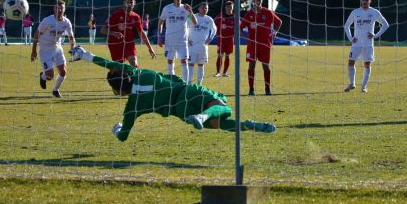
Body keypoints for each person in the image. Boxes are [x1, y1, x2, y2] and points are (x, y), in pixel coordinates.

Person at [68, 46, 276, 142]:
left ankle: (249, 125)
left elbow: (124, 137)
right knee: (223, 106)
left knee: (219, 123)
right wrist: (86, 55)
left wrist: (118, 129)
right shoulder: (135, 72)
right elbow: (110, 63)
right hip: (188, 91)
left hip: (180, 110)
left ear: (117, 91)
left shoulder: (132, 107)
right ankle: (205, 116)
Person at [343, 0, 389, 94]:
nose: (365, 2)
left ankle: (363, 87)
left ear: (370, 1)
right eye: (363, 0)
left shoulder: (374, 12)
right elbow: (346, 25)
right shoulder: (355, 12)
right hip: (356, 43)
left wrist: (375, 35)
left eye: (367, 0)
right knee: (350, 63)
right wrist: (350, 38)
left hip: (368, 44)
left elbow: (385, 24)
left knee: (367, 64)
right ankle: (352, 84)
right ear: (361, 0)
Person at [31, 0, 76, 98]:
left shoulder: (66, 22)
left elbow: (71, 37)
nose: (59, 10)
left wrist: (73, 49)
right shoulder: (47, 20)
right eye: (57, 8)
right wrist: (33, 51)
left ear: (64, 9)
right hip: (45, 49)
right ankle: (43, 76)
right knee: (49, 76)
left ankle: (55, 90)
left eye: (62, 8)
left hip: (57, 47)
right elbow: (36, 35)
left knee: (63, 72)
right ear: (54, 9)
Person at [240, 0, 282, 96]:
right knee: (251, 66)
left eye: (260, 0)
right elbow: (240, 27)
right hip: (252, 45)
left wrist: (274, 33)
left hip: (265, 44)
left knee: (266, 66)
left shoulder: (267, 12)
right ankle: (251, 90)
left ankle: (267, 90)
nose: (257, 1)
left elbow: (279, 22)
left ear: (262, 1)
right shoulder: (249, 14)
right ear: (253, 1)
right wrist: (246, 38)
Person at [101, 0, 156, 67]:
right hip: (115, 44)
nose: (129, 4)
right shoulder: (115, 15)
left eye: (131, 2)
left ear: (134, 3)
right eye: (127, 2)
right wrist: (114, 33)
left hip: (129, 43)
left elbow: (141, 32)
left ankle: (136, 77)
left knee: (134, 63)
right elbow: (103, 30)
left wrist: (150, 47)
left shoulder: (136, 17)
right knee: (118, 67)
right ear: (124, 3)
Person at [158, 0, 197, 80]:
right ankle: (172, 81)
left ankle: (185, 83)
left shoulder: (185, 9)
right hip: (169, 40)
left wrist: (191, 12)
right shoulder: (167, 8)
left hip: (182, 40)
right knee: (170, 60)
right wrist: (159, 36)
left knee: (184, 61)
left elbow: (195, 23)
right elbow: (161, 22)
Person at [187, 2, 217, 84]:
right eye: (203, 8)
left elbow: (214, 30)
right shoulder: (192, 16)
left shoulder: (209, 19)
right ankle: (189, 83)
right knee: (190, 64)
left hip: (203, 47)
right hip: (192, 46)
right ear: (199, 8)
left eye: (206, 8)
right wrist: (187, 38)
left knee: (201, 65)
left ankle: (199, 84)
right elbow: (185, 26)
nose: (204, 10)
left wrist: (210, 38)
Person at [214, 0, 235, 77]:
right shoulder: (220, 16)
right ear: (225, 8)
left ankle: (225, 73)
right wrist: (216, 33)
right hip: (221, 39)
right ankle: (218, 72)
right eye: (228, 7)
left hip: (230, 39)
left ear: (233, 8)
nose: (229, 8)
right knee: (220, 55)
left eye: (231, 7)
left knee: (227, 56)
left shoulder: (235, 17)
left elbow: (239, 26)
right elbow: (213, 24)